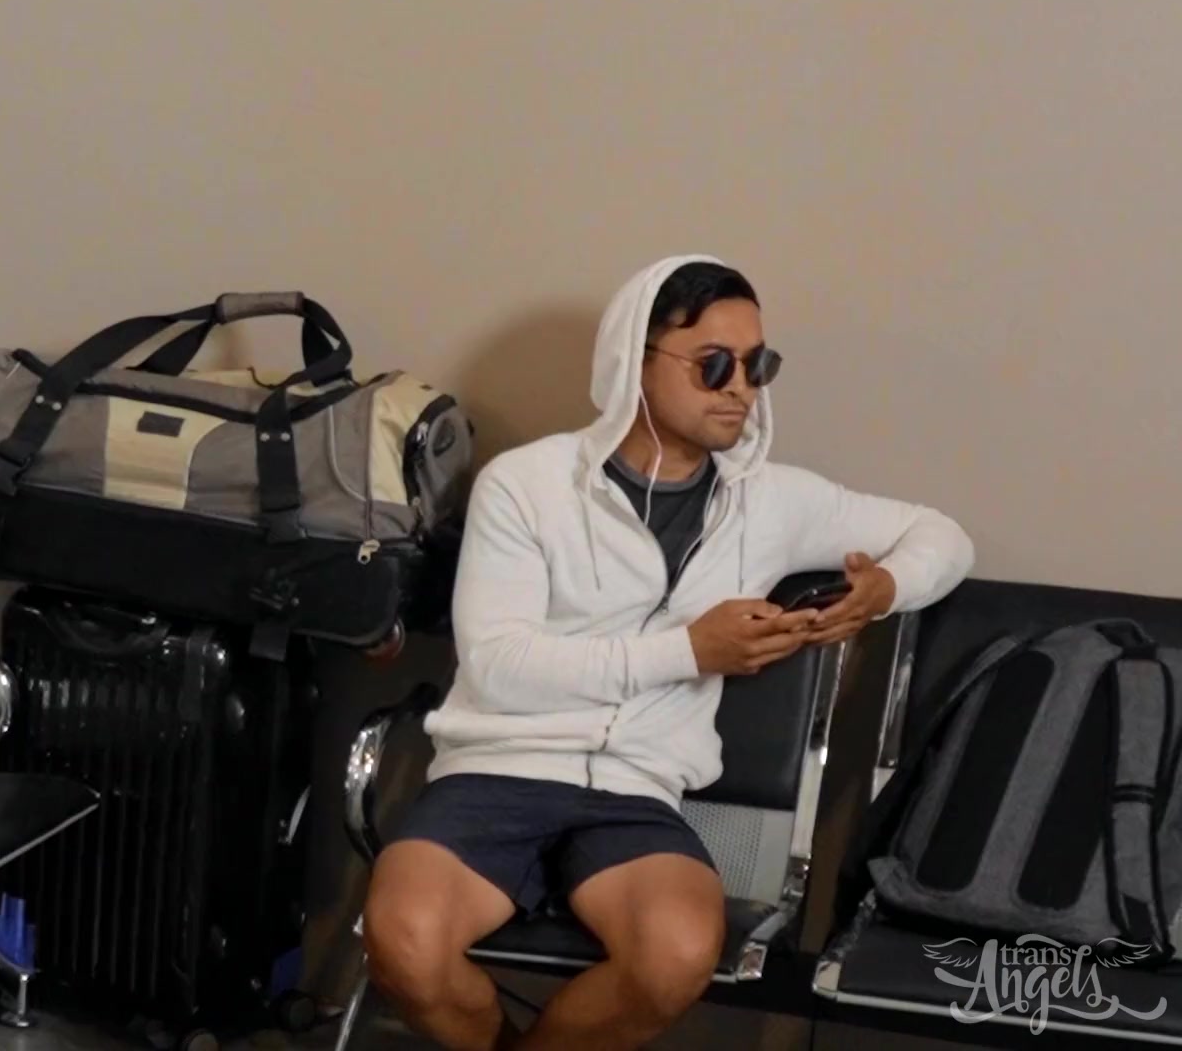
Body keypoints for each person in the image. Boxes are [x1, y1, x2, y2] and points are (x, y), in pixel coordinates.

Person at [361, 255, 974, 1050]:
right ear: (634, 359)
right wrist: (689, 650)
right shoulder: (528, 485)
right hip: (494, 774)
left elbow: (941, 535)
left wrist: (884, 588)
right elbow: (499, 665)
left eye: (758, 366)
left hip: (638, 789)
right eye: (714, 364)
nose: (740, 388)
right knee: (405, 944)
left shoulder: (771, 503)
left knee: (677, 954)